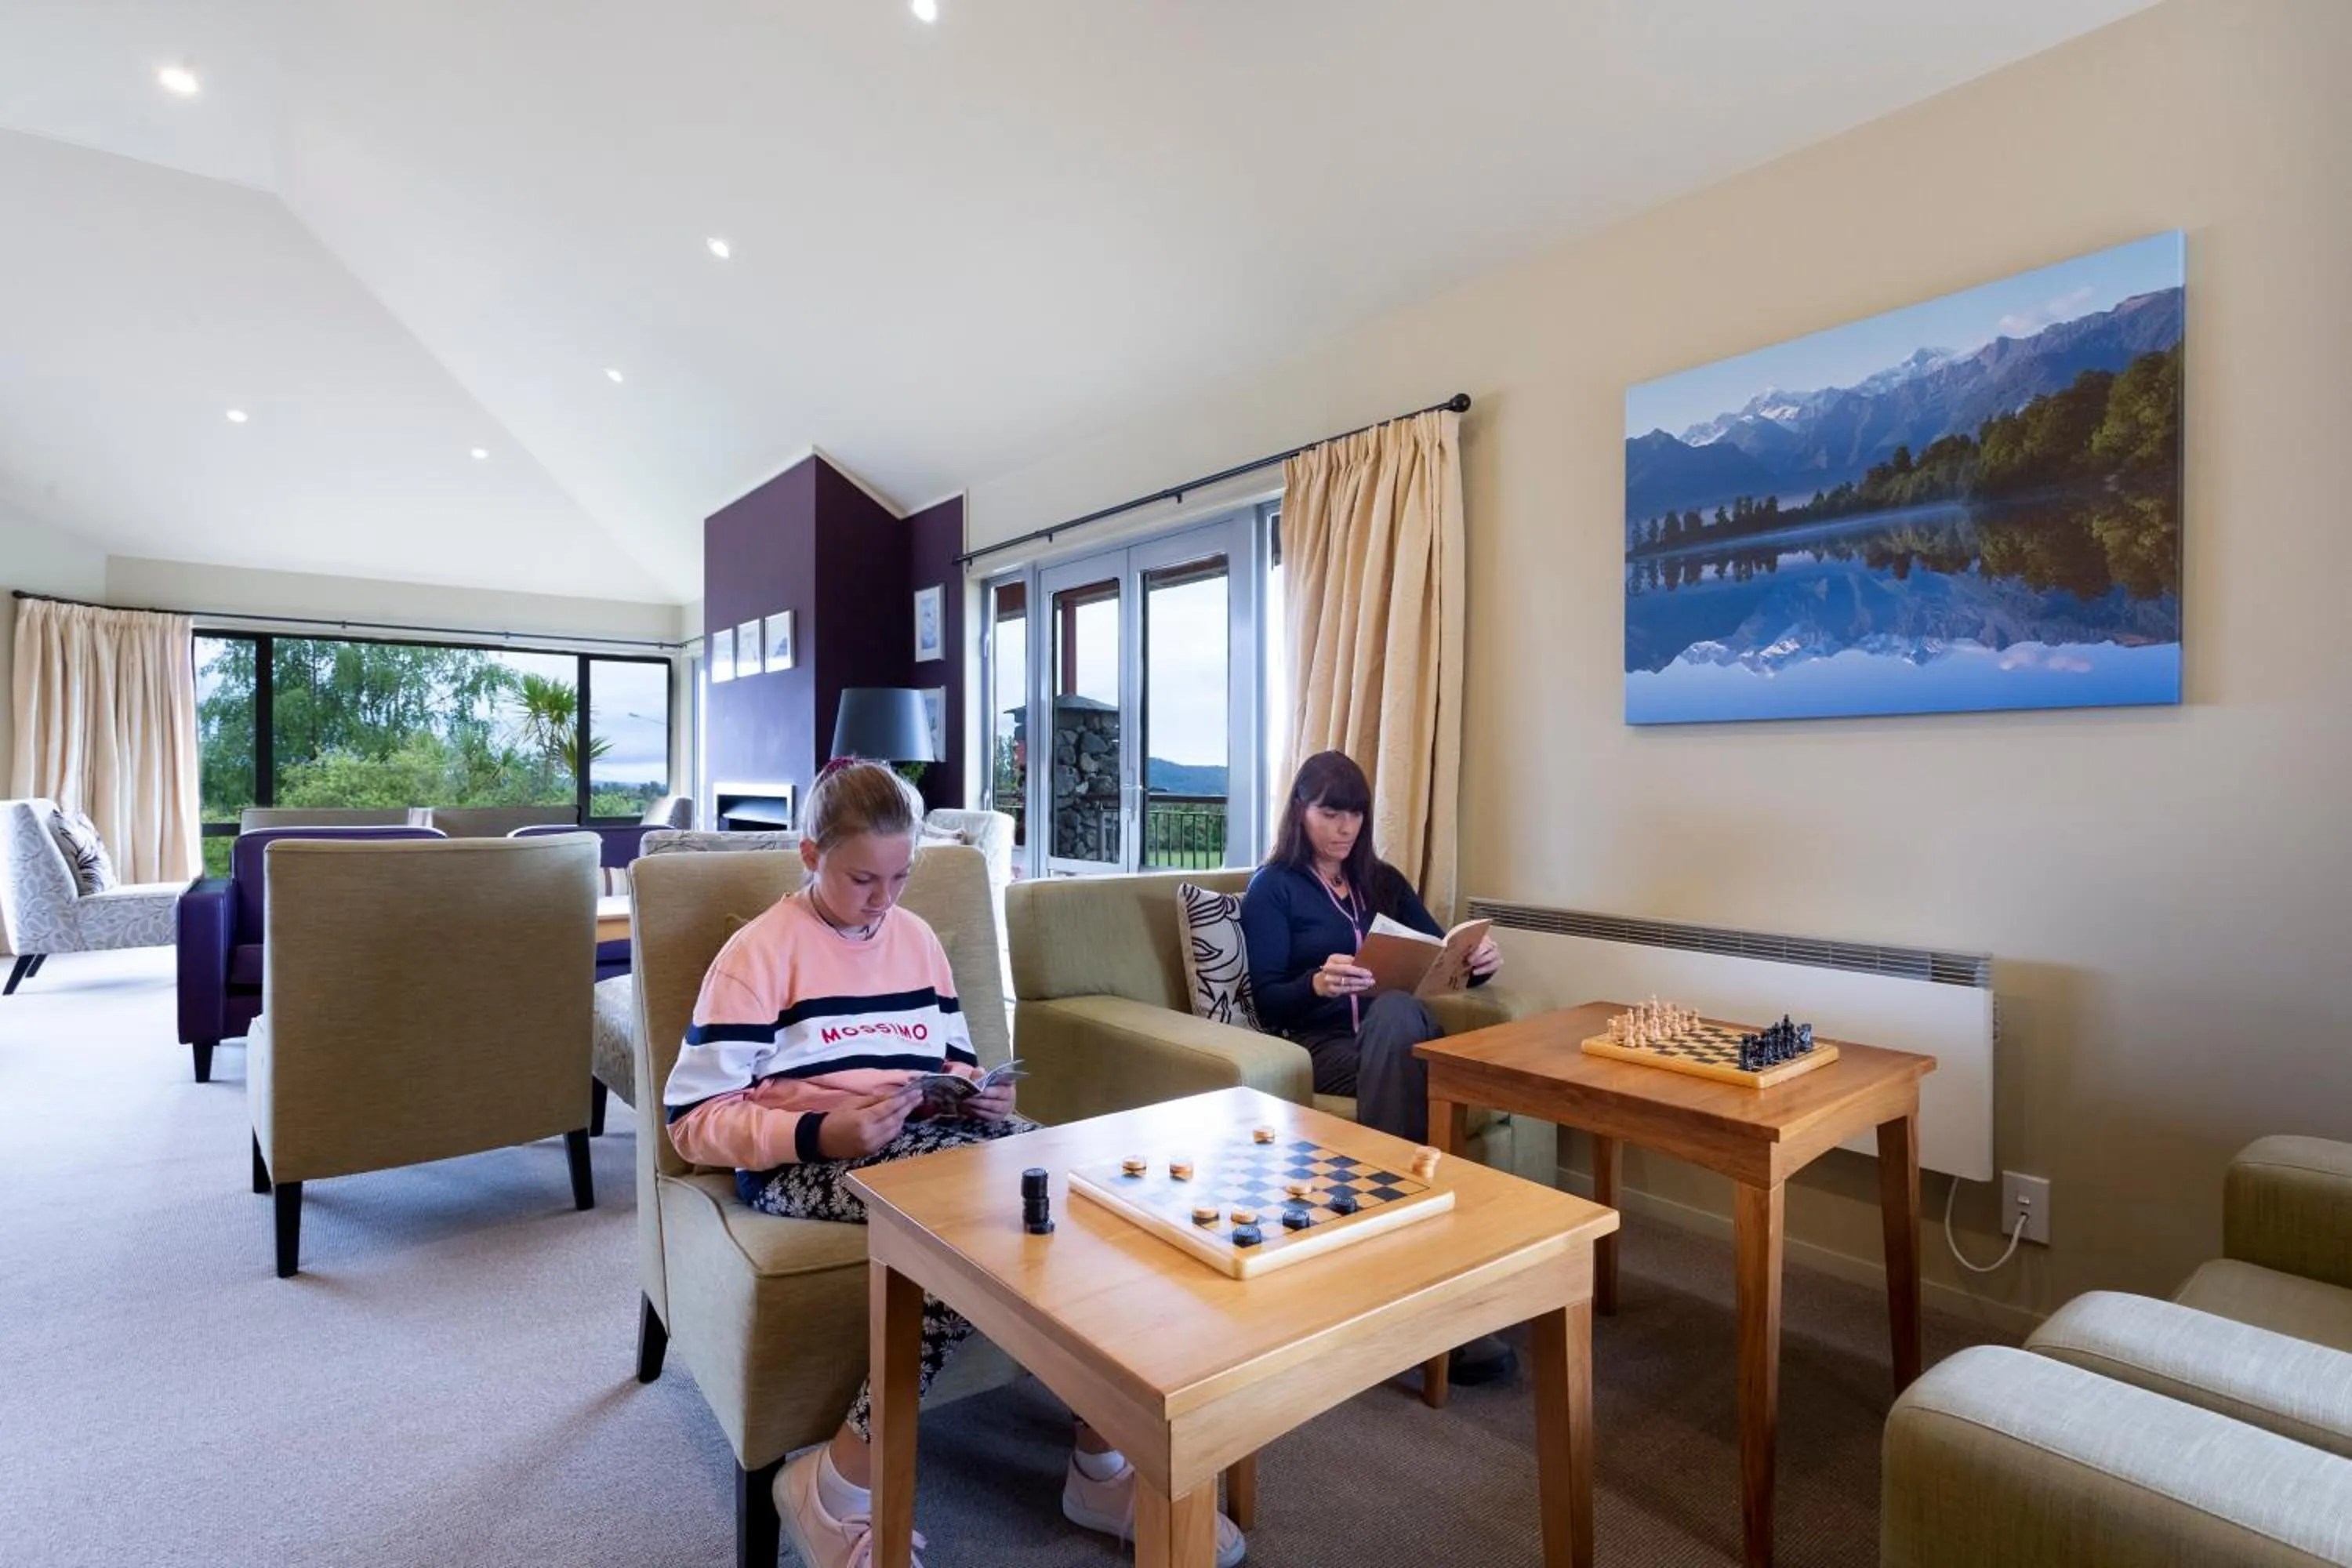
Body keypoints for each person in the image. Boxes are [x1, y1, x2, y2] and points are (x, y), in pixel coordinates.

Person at [662, 760, 1245, 1568]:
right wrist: (824, 1129)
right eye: (863, 877)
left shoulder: (918, 939)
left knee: (1082, 1183)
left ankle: (1100, 1461)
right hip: (805, 1159)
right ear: (809, 855)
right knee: (979, 1221)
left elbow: (956, 1057)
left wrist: (978, 1095)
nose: (885, 898)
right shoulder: (757, 953)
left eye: (902, 875)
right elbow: (692, 1121)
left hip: (925, 1136)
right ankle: (833, 1485)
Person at [1239, 750, 1514, 1385]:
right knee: (1396, 1020)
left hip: (1399, 1035)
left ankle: (1402, 1254)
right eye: (1329, 812)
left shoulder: (1381, 881)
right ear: (1300, 811)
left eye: (1354, 813)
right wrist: (1317, 982)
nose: (1344, 828)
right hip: (1322, 1045)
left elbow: (1439, 954)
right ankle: (1431, 1266)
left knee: (1397, 1013)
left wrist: (1478, 959)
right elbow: (1268, 997)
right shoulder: (1272, 888)